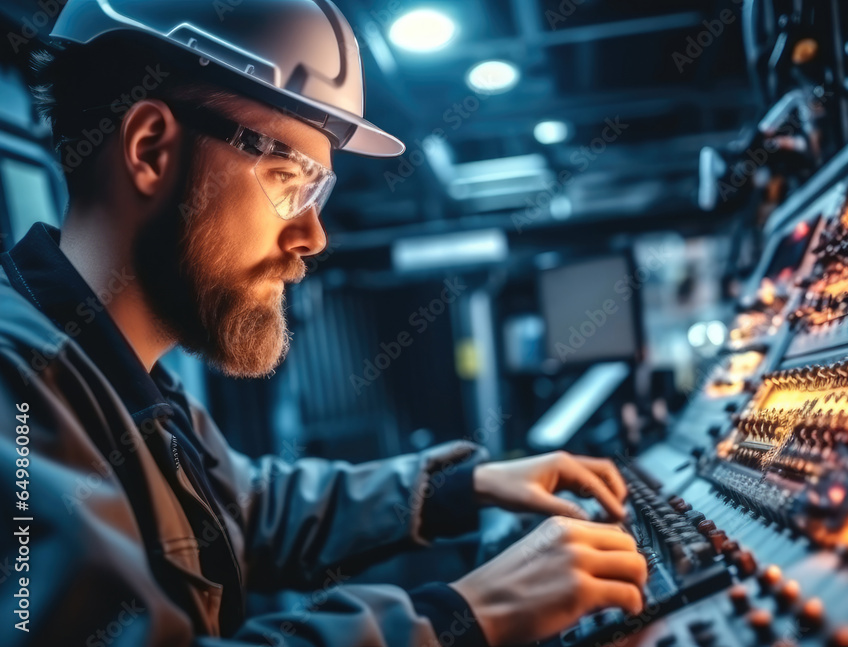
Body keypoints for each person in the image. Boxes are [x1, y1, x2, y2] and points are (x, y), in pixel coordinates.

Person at [0, 1, 647, 645]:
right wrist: (447, 620)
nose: (312, 235)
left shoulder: (130, 389)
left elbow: (248, 508)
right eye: (288, 180)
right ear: (150, 149)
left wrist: (454, 488)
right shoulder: (14, 393)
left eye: (320, 193)